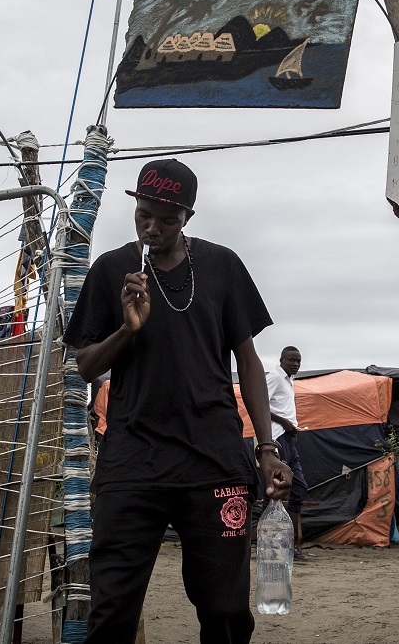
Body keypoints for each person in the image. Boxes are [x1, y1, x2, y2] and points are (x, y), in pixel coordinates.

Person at [66, 159, 291, 644]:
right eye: (144, 215)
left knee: (225, 610)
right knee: (112, 609)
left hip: (213, 459)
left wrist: (267, 448)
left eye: (167, 219)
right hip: (132, 460)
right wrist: (127, 328)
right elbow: (86, 366)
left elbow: (248, 362)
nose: (153, 227)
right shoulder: (112, 270)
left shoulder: (221, 265)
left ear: (188, 215)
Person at [264, 345, 309, 561]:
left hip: (291, 439)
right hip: (278, 439)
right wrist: (284, 422)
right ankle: (272, 546)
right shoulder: (274, 377)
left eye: (298, 361)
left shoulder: (289, 381)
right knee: (274, 490)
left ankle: (290, 542)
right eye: (291, 360)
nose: (295, 364)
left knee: (299, 487)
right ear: (281, 359)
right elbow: (261, 404)